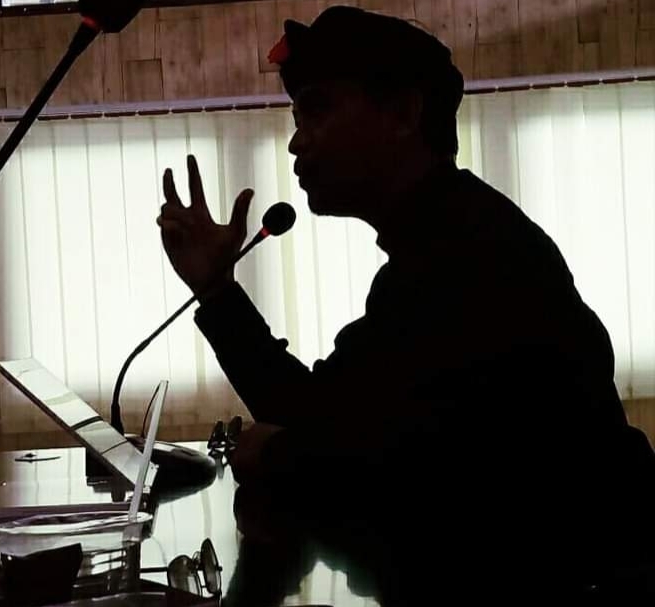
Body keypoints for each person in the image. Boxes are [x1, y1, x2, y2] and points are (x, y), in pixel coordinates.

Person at [158, 6, 655, 597]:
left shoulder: (471, 256)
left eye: (317, 109)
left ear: (402, 113)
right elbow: (321, 415)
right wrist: (217, 291)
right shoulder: (437, 245)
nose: (295, 141)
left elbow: (393, 474)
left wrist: (274, 454)